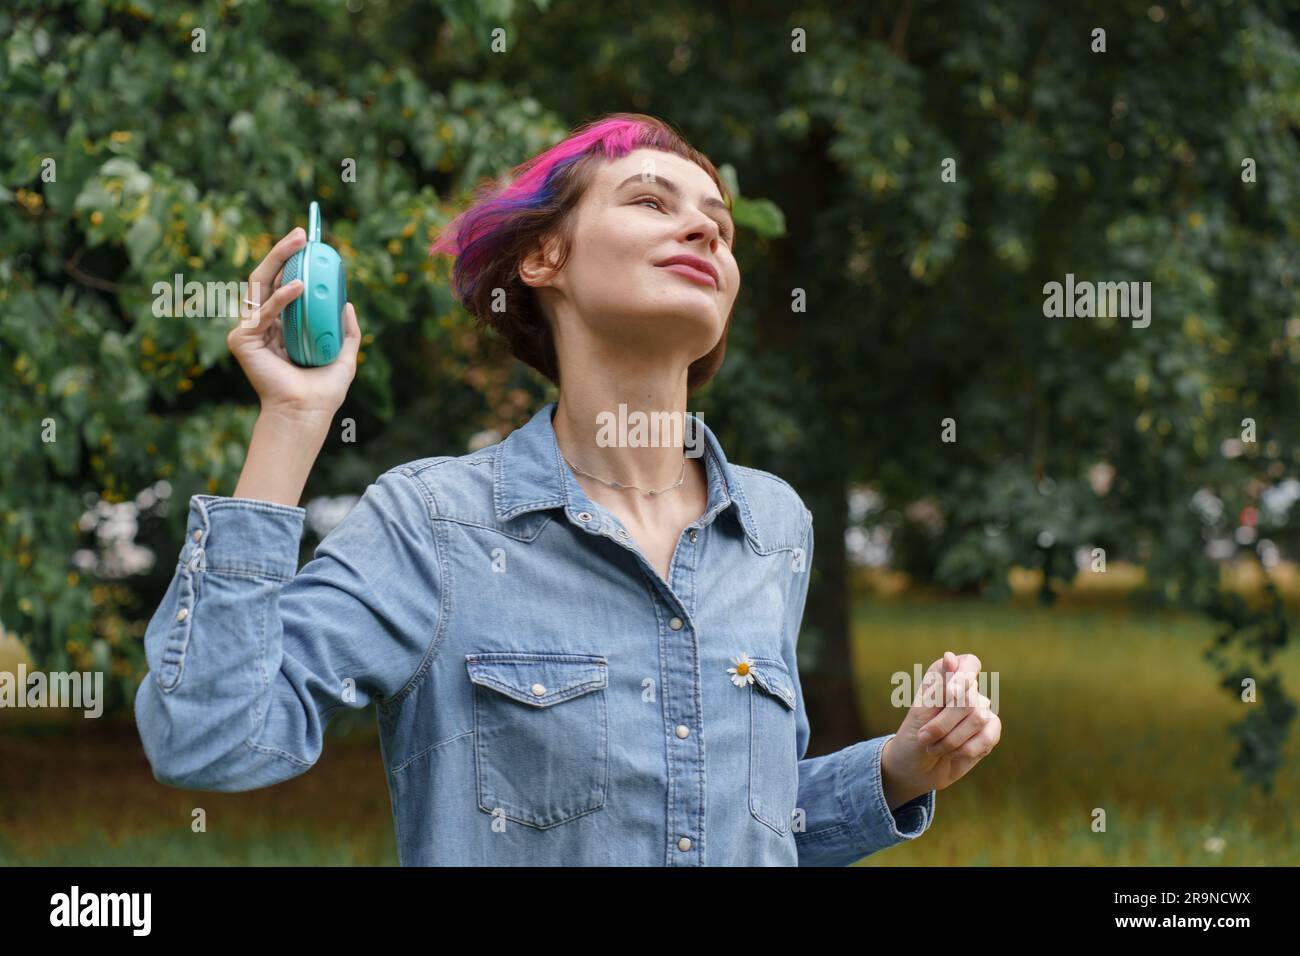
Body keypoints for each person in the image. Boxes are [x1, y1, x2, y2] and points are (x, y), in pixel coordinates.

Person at [134, 112, 1000, 866]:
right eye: (652, 202)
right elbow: (210, 741)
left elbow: (745, 824)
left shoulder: (774, 526)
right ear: (545, 256)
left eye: (721, 227)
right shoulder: (433, 524)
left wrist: (898, 769)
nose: (704, 233)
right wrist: (291, 420)